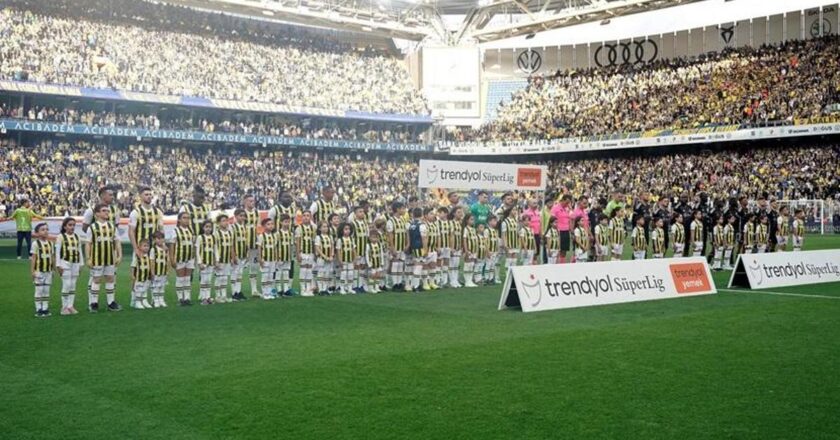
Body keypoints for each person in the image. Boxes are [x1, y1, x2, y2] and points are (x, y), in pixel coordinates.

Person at [84, 204, 122, 312]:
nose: (107, 212)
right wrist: (88, 258)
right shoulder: (92, 227)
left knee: (110, 278)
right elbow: (88, 244)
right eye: (104, 210)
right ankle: (94, 303)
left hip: (110, 257)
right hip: (97, 258)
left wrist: (119, 255)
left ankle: (111, 303)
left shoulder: (112, 226)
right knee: (96, 280)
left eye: (107, 210)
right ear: (97, 214)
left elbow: (117, 242)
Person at [55, 217, 82, 315]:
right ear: (65, 226)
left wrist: (81, 264)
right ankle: (64, 307)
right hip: (64, 263)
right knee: (67, 285)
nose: (72, 227)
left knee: (73, 285)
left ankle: (71, 306)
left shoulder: (77, 237)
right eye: (70, 225)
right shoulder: (60, 237)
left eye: (74, 225)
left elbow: (80, 251)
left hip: (75, 263)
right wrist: (58, 265)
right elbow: (57, 252)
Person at [169, 211, 195, 306]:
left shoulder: (191, 231)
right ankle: (180, 299)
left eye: (188, 218)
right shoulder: (175, 231)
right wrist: (172, 259)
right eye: (184, 218)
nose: (187, 220)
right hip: (179, 257)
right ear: (179, 220)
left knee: (187, 278)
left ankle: (187, 298)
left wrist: (194, 257)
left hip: (190, 258)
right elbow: (172, 245)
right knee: (180, 278)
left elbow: (193, 245)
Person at [128, 186, 163, 256]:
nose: (149, 196)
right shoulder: (135, 212)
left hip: (154, 248)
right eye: (146, 195)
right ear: (140, 196)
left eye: (150, 194)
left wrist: (162, 244)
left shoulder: (158, 212)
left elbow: (161, 230)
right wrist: (135, 249)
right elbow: (131, 232)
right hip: (140, 249)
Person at [31, 222, 54, 317]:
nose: (45, 231)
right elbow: (33, 258)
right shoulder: (35, 244)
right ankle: (38, 308)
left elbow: (52, 257)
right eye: (43, 229)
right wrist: (32, 271)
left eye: (47, 229)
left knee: (46, 290)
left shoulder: (50, 243)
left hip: (48, 271)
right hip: (39, 271)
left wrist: (53, 269)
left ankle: (45, 308)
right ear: (37, 233)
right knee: (39, 290)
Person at [386, 201, 409, 291]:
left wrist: (408, 244)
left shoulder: (403, 220)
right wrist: (392, 248)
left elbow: (406, 233)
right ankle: (395, 284)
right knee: (395, 264)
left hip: (402, 247)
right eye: (403, 208)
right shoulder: (391, 221)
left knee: (400, 265)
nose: (404, 210)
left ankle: (399, 283)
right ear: (397, 209)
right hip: (395, 247)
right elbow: (390, 235)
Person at [241, 194, 261, 298]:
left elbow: (258, 227)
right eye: (249, 201)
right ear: (245, 202)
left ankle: (254, 290)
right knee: (239, 268)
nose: (252, 203)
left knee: (254, 267)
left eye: (253, 201)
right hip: (243, 245)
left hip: (254, 244)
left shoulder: (257, 212)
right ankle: (237, 291)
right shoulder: (242, 213)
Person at [230, 209, 250, 301]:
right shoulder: (232, 227)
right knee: (234, 273)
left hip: (243, 253)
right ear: (235, 216)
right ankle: (234, 292)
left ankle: (238, 291)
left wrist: (247, 253)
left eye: (243, 216)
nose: (242, 217)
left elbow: (246, 242)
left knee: (240, 274)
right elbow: (231, 242)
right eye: (240, 215)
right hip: (236, 253)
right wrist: (233, 255)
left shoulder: (245, 227)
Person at [214, 214, 235, 303]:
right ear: (218, 223)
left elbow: (231, 246)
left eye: (227, 221)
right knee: (219, 277)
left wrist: (233, 257)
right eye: (223, 221)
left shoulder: (230, 232)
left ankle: (224, 295)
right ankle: (218, 296)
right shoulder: (216, 233)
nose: (226, 222)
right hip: (220, 259)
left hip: (227, 259)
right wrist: (216, 260)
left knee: (225, 277)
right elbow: (214, 247)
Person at [295, 210, 317, 297]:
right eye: (304, 215)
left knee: (309, 270)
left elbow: (314, 241)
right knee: (303, 270)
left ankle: (308, 289)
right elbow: (298, 242)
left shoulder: (313, 228)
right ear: (302, 217)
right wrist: (298, 254)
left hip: (310, 252)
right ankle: (302, 289)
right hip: (303, 252)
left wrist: (315, 253)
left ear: (310, 217)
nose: (306, 217)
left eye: (308, 215)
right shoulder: (299, 228)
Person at [257, 218, 279, 300]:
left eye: (272, 224)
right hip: (265, 259)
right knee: (265, 276)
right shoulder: (261, 236)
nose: (271, 226)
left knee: (270, 276)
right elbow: (259, 248)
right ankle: (264, 293)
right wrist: (260, 259)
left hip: (272, 259)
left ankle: (269, 292)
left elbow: (275, 248)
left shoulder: (274, 236)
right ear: (263, 226)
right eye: (268, 224)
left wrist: (276, 257)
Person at [407, 207, 429, 292]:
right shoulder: (422, 225)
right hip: (420, 247)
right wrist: (425, 249)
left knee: (417, 265)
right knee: (419, 266)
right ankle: (415, 286)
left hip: (413, 247)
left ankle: (415, 284)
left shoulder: (411, 225)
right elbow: (424, 238)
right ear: (422, 215)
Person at [351, 206, 370, 293]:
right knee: (356, 268)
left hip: (364, 250)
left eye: (363, 211)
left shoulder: (365, 223)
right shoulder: (353, 224)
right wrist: (354, 250)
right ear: (355, 214)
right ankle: (355, 286)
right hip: (357, 249)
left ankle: (361, 285)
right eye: (360, 211)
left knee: (362, 268)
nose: (362, 213)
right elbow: (352, 238)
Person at [130, 239, 153, 309]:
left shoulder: (148, 256)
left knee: (145, 289)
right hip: (138, 276)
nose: (146, 247)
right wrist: (132, 275)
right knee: (138, 289)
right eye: (144, 246)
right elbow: (133, 266)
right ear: (139, 247)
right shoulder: (137, 256)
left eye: (148, 246)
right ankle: (137, 302)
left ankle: (144, 301)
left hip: (146, 276)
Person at [276, 214, 295, 296]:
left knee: (286, 272)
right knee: (278, 273)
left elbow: (291, 246)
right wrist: (277, 256)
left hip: (287, 256)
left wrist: (291, 255)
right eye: (285, 222)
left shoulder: (290, 234)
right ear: (280, 222)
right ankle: (279, 289)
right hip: (279, 256)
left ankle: (286, 289)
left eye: (288, 222)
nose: (287, 224)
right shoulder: (277, 233)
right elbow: (275, 246)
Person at [314, 220, 335, 295]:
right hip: (321, 258)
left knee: (327, 273)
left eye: (327, 227)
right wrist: (324, 256)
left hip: (329, 258)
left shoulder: (330, 236)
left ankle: (325, 288)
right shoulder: (318, 237)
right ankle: (320, 289)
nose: (326, 228)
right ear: (319, 228)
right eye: (324, 227)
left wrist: (331, 255)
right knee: (321, 273)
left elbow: (332, 246)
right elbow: (317, 248)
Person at [336, 222, 357, 295]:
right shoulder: (340, 240)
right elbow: (338, 251)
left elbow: (354, 250)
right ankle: (342, 288)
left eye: (349, 229)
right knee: (344, 274)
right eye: (346, 229)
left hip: (350, 260)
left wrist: (355, 258)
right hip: (343, 260)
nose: (348, 231)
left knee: (351, 274)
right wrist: (340, 260)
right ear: (342, 230)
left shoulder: (351, 239)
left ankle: (350, 288)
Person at [150, 231, 169, 308]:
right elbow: (152, 261)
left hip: (163, 271)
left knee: (162, 286)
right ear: (154, 240)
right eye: (158, 238)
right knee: (156, 286)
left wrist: (168, 270)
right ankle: (155, 300)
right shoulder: (153, 249)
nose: (160, 240)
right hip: (156, 272)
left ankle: (161, 300)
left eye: (162, 238)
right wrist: (152, 272)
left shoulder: (165, 249)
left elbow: (167, 260)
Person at [424, 208, 441, 290]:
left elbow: (438, 236)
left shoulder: (435, 225)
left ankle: (432, 283)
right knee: (425, 266)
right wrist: (425, 249)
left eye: (433, 213)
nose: (433, 215)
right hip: (427, 249)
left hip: (433, 249)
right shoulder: (424, 225)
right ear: (426, 216)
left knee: (433, 266)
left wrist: (438, 247)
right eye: (431, 214)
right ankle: (425, 283)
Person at [461, 213, 479, 288]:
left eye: (473, 219)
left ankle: (470, 280)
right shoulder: (466, 229)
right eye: (471, 219)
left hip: (474, 250)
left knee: (472, 265)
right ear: (467, 220)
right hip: (469, 250)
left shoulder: (474, 229)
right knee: (468, 264)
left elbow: (475, 240)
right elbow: (464, 240)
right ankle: (467, 281)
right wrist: (466, 250)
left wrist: (477, 250)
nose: (473, 221)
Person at [448, 206, 464, 288]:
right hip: (453, 246)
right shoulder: (451, 223)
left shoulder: (460, 223)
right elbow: (451, 235)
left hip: (458, 246)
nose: (460, 214)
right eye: (458, 212)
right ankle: (452, 281)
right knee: (452, 264)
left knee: (457, 264)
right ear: (454, 213)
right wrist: (451, 247)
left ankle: (456, 280)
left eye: (461, 212)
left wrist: (461, 246)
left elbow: (461, 236)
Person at [437, 207, 453, 287]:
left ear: (446, 213)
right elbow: (437, 236)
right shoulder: (437, 223)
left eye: (441, 213)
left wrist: (451, 247)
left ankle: (445, 280)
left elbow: (451, 236)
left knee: (446, 262)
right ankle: (438, 280)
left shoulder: (449, 223)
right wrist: (438, 246)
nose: (439, 214)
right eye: (439, 213)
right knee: (439, 263)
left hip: (447, 246)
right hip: (440, 246)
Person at [500, 206, 520, 270]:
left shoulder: (515, 221)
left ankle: (512, 276)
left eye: (515, 210)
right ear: (509, 211)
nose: (515, 211)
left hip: (515, 243)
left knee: (514, 260)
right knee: (509, 260)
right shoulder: (505, 222)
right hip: (508, 243)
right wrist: (505, 244)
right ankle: (507, 276)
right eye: (513, 210)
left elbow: (517, 233)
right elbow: (503, 234)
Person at [485, 215, 500, 284]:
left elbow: (496, 241)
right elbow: (485, 241)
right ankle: (486, 278)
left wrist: (497, 250)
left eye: (496, 221)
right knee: (488, 264)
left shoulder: (495, 231)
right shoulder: (487, 230)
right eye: (494, 221)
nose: (495, 222)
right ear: (489, 222)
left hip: (494, 251)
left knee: (492, 265)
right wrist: (487, 251)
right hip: (489, 251)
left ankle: (491, 278)